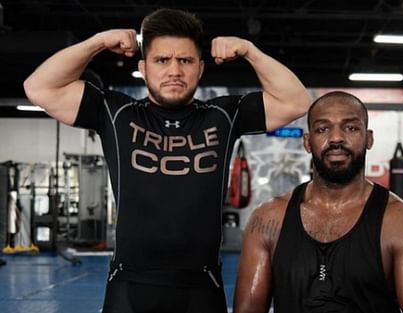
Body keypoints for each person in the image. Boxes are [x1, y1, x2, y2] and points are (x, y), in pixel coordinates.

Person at [23, 7, 311, 313]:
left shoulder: (223, 115)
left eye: (185, 60)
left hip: (201, 287)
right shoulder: (117, 113)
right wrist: (97, 42)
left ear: (200, 68)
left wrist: (250, 51)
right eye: (162, 60)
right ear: (144, 68)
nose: (174, 71)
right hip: (129, 285)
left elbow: (296, 101)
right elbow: (39, 87)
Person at [234, 91, 403, 313]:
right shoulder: (267, 219)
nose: (336, 138)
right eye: (322, 129)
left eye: (351, 128)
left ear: (369, 138)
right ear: (308, 142)